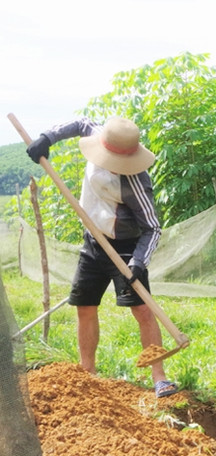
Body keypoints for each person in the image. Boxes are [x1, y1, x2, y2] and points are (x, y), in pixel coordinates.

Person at [26, 117, 178, 398]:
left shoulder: (135, 182)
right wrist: (48, 137)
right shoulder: (102, 134)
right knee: (84, 306)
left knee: (143, 311)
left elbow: (153, 228)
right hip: (93, 242)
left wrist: (138, 262)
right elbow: (80, 122)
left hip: (125, 247)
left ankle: (159, 377)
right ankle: (88, 374)